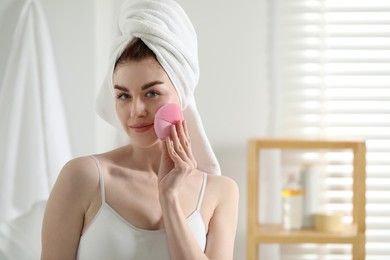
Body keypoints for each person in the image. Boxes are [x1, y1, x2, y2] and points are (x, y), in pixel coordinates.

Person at [41, 0, 238, 259]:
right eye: (123, 96)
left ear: (182, 93)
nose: (136, 110)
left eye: (152, 92)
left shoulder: (219, 191)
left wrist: (169, 199)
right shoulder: (82, 178)